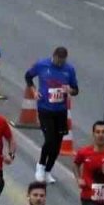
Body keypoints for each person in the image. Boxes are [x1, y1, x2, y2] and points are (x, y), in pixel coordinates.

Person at [24, 46, 79, 183]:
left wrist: (69, 90)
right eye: (57, 60)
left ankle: (48, 170)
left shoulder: (69, 70)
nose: (59, 63)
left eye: (62, 61)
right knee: (49, 139)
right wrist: (34, 91)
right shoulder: (42, 65)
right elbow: (28, 76)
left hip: (60, 110)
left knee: (57, 143)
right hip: (45, 108)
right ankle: (40, 166)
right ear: (53, 56)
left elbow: (76, 90)